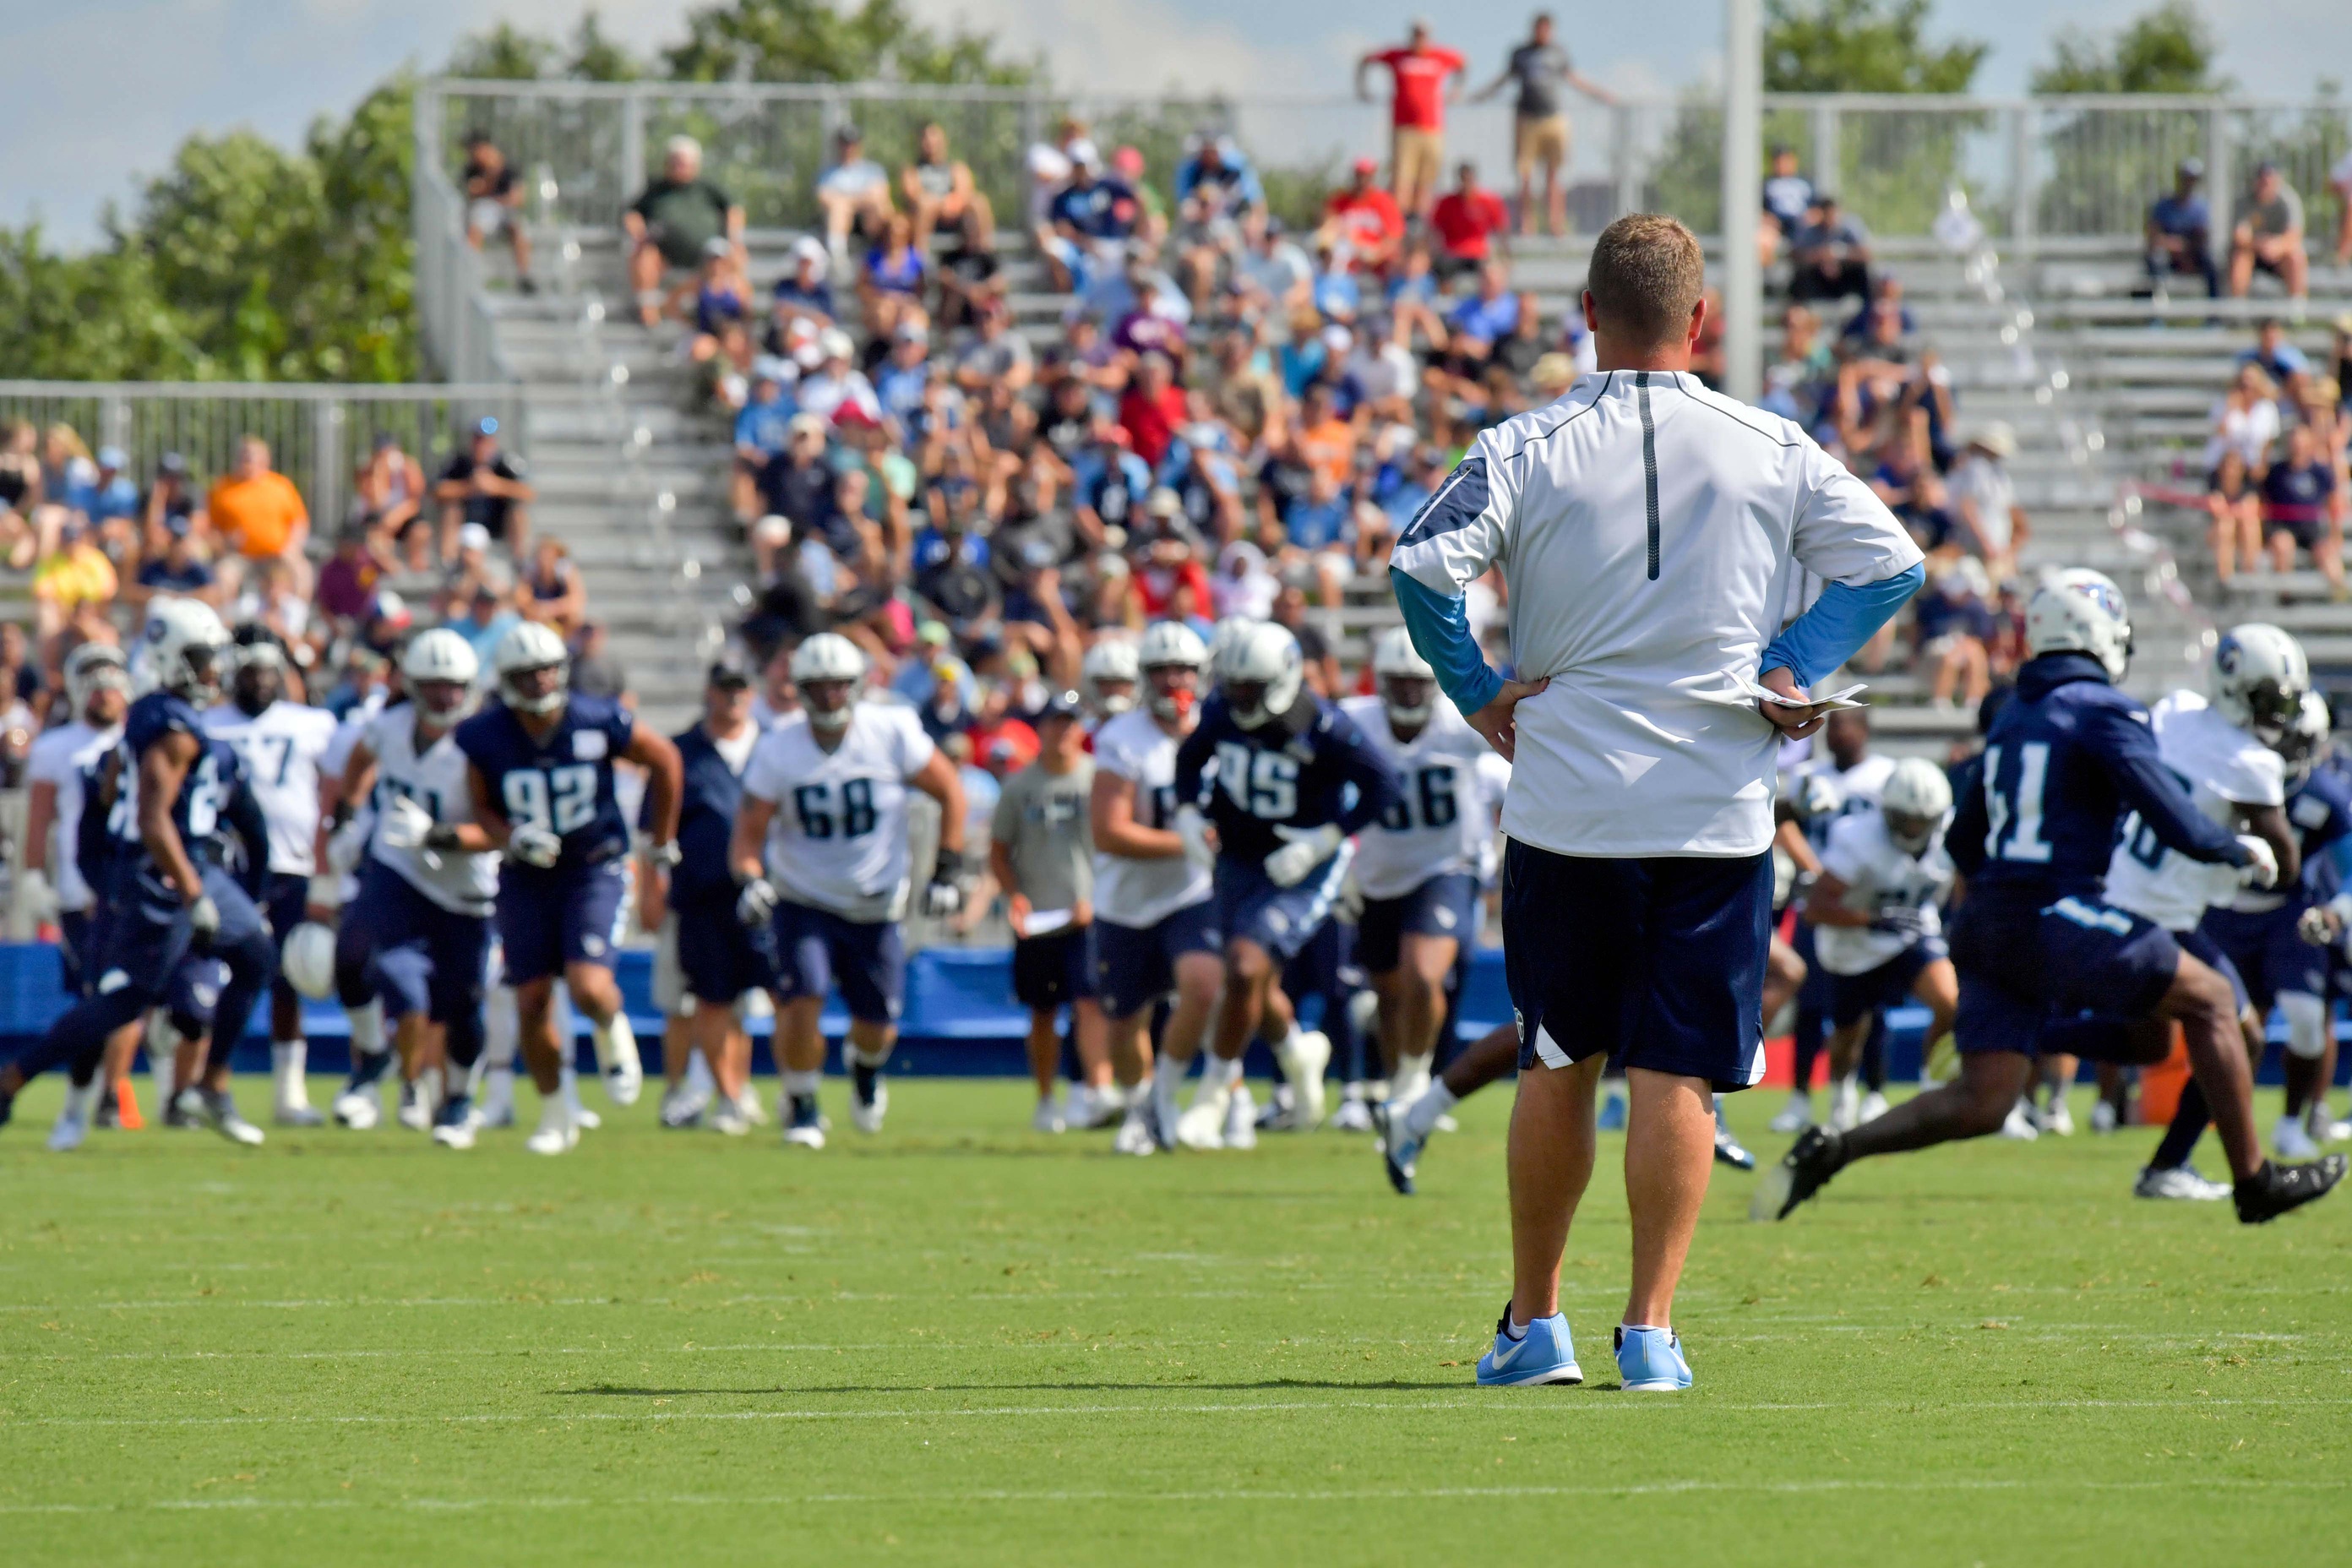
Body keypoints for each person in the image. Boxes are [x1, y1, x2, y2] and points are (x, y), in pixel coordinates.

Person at [1389, 212, 1925, 1391]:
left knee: (1557, 1058)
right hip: (1717, 804)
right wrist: (1792, 660)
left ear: (1587, 314)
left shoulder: (1522, 443)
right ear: (1701, 319)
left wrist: (1477, 690)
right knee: (1678, 1070)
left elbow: (1419, 566)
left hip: (1568, 802)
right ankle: (1652, 1334)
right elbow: (1893, 563)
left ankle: (1537, 1327)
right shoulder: (1772, 442)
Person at [1758, 571, 2346, 1228]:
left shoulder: (2014, 713)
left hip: (1988, 919)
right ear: (2099, 635)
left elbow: (1965, 839)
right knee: (2211, 999)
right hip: (2057, 908)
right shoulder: (2104, 708)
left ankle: (1833, 1150)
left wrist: (2000, 899)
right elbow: (2167, 811)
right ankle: (2255, 1181)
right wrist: (2230, 848)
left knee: (1985, 1099)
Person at [0, 601, 275, 1146]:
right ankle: (13, 1078)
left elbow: (112, 792)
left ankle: (211, 1086)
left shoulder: (155, 714)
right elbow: (150, 819)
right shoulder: (169, 726)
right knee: (125, 1001)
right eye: (203, 659)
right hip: (164, 874)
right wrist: (191, 892)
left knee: (257, 955)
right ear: (175, 659)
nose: (214, 671)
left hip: (186, 863)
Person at [730, 634, 968, 1148]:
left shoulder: (891, 731)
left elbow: (951, 790)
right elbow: (747, 836)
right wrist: (751, 879)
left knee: (877, 1026)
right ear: (800, 690)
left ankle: (864, 1067)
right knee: (802, 998)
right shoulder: (778, 748)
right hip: (804, 898)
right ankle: (803, 1103)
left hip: (876, 902)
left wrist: (947, 869)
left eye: (838, 685)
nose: (830, 696)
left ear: (857, 686)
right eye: (818, 687)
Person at [1170, 621, 1402, 1149]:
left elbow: (1384, 787)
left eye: (1250, 687)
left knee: (1243, 968)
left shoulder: (1321, 724)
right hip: (1239, 857)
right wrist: (1186, 812)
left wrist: (1325, 839)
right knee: (1252, 979)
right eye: (1234, 686)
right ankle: (1298, 1051)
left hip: (1301, 866)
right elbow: (1191, 757)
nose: (1240, 697)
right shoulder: (1221, 708)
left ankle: (1212, 1098)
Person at [456, 623, 681, 1155]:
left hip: (592, 866)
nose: (539, 682)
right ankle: (556, 1114)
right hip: (526, 875)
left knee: (589, 986)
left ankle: (610, 1025)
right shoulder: (486, 734)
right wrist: (510, 837)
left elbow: (665, 759)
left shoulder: (595, 718)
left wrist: (661, 839)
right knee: (531, 998)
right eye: (526, 674)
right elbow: (480, 807)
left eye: (546, 670)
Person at [2101, 627, 2303, 1200]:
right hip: (2164, 913)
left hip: (2121, 886)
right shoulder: (2251, 763)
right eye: (2268, 697)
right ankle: (2171, 1166)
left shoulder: (2175, 712)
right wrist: (2248, 852)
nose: (2275, 712)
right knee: (2244, 1035)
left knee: (2149, 1042)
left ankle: (2029, 1036)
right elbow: (2286, 866)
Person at [325, 630, 503, 1148]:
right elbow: (358, 762)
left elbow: (500, 830)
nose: (446, 696)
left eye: (455, 686)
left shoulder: (485, 742)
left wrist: (441, 835)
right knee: (354, 953)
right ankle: (373, 1056)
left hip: (464, 883)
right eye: (435, 685)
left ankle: (457, 1100)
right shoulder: (391, 725)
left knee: (462, 1006)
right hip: (399, 866)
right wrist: (347, 818)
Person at [1342, 627, 1497, 1130]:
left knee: (1424, 976)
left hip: (1445, 867)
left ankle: (1414, 1088)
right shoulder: (1354, 722)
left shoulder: (1461, 723)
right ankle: (1399, 1091)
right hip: (1377, 875)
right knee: (1389, 996)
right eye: (1398, 681)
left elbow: (1524, 751)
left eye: (1417, 681)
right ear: (1380, 681)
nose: (1409, 691)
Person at [1090, 622, 1222, 1157]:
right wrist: (1191, 844)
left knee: (1205, 985)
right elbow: (1109, 832)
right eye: (1162, 670)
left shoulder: (1219, 727)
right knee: (1127, 1020)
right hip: (1125, 901)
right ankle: (1139, 1106)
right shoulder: (1122, 738)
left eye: (1184, 669)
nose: (1174, 680)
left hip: (1190, 893)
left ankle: (1170, 1094)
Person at [199, 636, 339, 1127]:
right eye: (250, 672)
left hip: (291, 865)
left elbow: (334, 792)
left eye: (267, 672)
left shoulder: (312, 724)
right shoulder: (208, 722)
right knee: (200, 977)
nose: (259, 682)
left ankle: (289, 1094)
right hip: (223, 869)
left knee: (289, 978)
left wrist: (327, 865)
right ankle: (186, 1086)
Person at [645, 656, 770, 1136]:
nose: (733, 697)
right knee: (698, 1000)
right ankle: (694, 1091)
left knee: (754, 1002)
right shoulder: (680, 752)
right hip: (697, 895)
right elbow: (655, 830)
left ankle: (746, 1091)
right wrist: (651, 887)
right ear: (709, 692)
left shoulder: (773, 747)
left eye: (741, 688)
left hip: (762, 896)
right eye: (725, 688)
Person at [1799, 757, 1957, 1133]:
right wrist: (1871, 918)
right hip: (1852, 946)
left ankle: (1931, 1089)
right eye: (1905, 818)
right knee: (1847, 1039)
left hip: (1909, 933)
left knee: (1950, 1002)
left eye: (1922, 820)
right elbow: (1816, 910)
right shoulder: (1857, 838)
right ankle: (1842, 1095)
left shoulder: (1951, 834)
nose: (1914, 827)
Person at [22, 645, 135, 1136]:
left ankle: (123, 1093)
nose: (104, 694)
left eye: (111, 684)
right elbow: (40, 820)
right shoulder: (56, 747)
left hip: (137, 888)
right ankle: (80, 1103)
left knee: (132, 995)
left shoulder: (145, 737)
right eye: (93, 683)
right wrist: (34, 877)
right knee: (95, 998)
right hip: (80, 891)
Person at [992, 690, 1111, 1134]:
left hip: (1089, 913)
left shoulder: (1099, 779)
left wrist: (1098, 896)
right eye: (1056, 721)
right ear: (1041, 728)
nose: (1063, 730)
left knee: (1090, 1002)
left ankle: (1097, 1089)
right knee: (1042, 1011)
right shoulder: (1020, 786)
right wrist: (1015, 896)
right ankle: (1046, 1098)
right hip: (1040, 915)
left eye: (1070, 722)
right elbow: (999, 851)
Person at [1473, 12, 1615, 237]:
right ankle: (1526, 224)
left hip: (1553, 119)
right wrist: (1480, 96)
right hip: (1527, 119)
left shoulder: (1558, 53)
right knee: (1525, 174)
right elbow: (1504, 79)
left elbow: (1574, 79)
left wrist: (1600, 95)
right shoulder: (1520, 53)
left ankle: (1555, 223)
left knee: (1554, 173)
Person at [624, 136, 744, 327]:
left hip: (708, 256)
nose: (678, 167)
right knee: (644, 256)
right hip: (664, 256)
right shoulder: (655, 190)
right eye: (674, 162)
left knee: (737, 254)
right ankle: (648, 310)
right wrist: (639, 234)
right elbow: (632, 213)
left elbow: (733, 209)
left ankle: (737, 312)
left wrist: (733, 237)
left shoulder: (707, 189)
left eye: (683, 163)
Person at [1356, 20, 1467, 220]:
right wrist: (1362, 89)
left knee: (1427, 179)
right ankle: (1401, 219)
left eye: (1423, 35)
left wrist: (1457, 90)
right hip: (1404, 128)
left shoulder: (1439, 56)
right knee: (1402, 178)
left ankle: (1420, 220)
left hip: (1433, 128)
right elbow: (1365, 59)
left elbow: (1463, 62)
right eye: (1416, 34)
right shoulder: (1397, 56)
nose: (1419, 39)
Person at [207, 436, 310, 590]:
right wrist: (225, 542)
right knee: (223, 576)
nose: (246, 462)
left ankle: (299, 606)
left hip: (277, 556)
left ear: (265, 460)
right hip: (238, 556)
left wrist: (291, 547)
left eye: (251, 458)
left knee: (301, 573)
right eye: (243, 457)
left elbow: (299, 522)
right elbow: (211, 528)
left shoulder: (281, 486)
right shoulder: (222, 488)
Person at [435, 416, 534, 563]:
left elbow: (529, 492)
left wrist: (497, 486)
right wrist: (469, 487)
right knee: (451, 508)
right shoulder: (459, 462)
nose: (482, 446)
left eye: (486, 441)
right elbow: (438, 490)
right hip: (464, 524)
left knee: (518, 511)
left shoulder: (507, 462)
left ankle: (520, 561)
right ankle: (448, 561)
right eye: (478, 440)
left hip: (498, 526)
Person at [901, 121, 994, 253]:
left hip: (955, 216)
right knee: (925, 204)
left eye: (934, 137)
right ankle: (919, 257)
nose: (930, 142)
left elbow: (965, 192)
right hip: (926, 218)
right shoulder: (912, 171)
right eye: (926, 138)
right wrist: (939, 205)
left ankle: (984, 254)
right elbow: (913, 195)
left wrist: (949, 205)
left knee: (979, 201)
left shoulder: (956, 168)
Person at [462, 131, 532, 291]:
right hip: (484, 210)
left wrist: (499, 198)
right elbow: (474, 192)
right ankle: (470, 274)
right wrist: (491, 173)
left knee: (518, 229)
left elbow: (518, 198)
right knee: (475, 229)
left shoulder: (509, 168)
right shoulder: (472, 169)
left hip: (506, 211)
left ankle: (524, 276)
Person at [815, 124, 895, 265]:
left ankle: (886, 255)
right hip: (838, 221)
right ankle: (837, 259)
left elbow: (880, 195)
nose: (848, 147)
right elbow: (824, 198)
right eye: (844, 143)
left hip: (869, 220)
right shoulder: (827, 173)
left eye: (852, 143)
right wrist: (856, 200)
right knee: (839, 208)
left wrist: (847, 201)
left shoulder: (873, 170)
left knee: (879, 206)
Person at [2229, 162, 2308, 301]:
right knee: (2240, 257)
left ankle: (2298, 305)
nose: (2266, 184)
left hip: (2280, 256)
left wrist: (2278, 246)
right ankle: (2237, 306)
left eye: (2270, 180)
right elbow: (2240, 237)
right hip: (2253, 253)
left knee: (2296, 257)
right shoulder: (2243, 201)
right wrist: (2262, 245)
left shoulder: (2289, 200)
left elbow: (2294, 235)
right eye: (2262, 180)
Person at [2146, 158, 2218, 298]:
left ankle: (2214, 309)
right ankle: (2157, 308)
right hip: (2169, 257)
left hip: (2191, 257)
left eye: (2193, 179)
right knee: (2157, 260)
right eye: (2186, 178)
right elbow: (2154, 238)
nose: (2189, 183)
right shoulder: (2163, 207)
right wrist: (2175, 245)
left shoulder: (2201, 208)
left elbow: (2201, 239)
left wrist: (2184, 247)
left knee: (2211, 264)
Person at [1428, 163, 1511, 280]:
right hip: (1453, 252)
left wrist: (1506, 255)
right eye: (1463, 180)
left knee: (1491, 270)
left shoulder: (1488, 202)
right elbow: (1433, 230)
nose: (1466, 184)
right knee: (1441, 269)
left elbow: (1501, 229)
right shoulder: (1446, 203)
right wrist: (1432, 253)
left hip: (1479, 253)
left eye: (1469, 179)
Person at [1788, 195, 1872, 305]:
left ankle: (1866, 307)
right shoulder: (1809, 231)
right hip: (1818, 275)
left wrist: (1839, 254)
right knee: (1801, 275)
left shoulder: (1849, 228)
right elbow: (1795, 254)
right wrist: (1820, 257)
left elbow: (1865, 254)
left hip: (1844, 273)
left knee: (1861, 271)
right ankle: (1801, 307)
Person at [1758, 145, 1817, 268]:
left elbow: (1818, 209)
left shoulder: (1805, 183)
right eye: (1779, 161)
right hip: (1776, 226)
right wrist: (1768, 218)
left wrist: (1811, 217)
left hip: (1802, 225)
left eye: (1786, 160)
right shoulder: (1767, 184)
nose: (1782, 165)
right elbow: (1758, 210)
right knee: (1763, 240)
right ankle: (1767, 275)